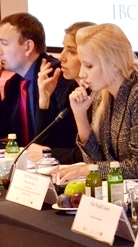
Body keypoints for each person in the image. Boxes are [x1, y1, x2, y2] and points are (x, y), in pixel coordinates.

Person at [58, 23, 138, 181]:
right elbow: (96, 161)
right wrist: (80, 114)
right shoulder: (102, 94)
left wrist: (87, 170)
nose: (82, 73)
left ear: (114, 64)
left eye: (89, 66)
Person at [0, 13, 72, 146]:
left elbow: (62, 139)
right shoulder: (14, 84)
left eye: (4, 43)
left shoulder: (57, 77)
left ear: (28, 46)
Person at [29, 21, 96, 164]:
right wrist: (44, 101)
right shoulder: (70, 89)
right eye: (63, 48)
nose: (61, 57)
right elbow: (42, 145)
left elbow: (94, 156)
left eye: (71, 51)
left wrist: (49, 154)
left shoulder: (101, 96)